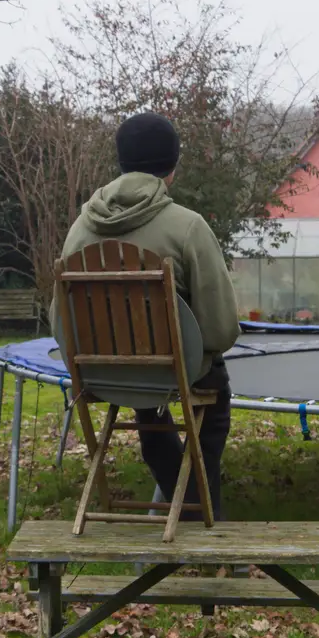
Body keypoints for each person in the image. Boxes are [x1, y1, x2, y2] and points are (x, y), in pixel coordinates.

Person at [57, 112, 242, 518]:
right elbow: (220, 328)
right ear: (172, 167)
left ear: (120, 162)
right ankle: (199, 504)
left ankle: (182, 492)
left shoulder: (78, 231)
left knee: (147, 397)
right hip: (170, 371)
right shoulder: (187, 227)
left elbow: (61, 321)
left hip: (102, 375)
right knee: (213, 390)